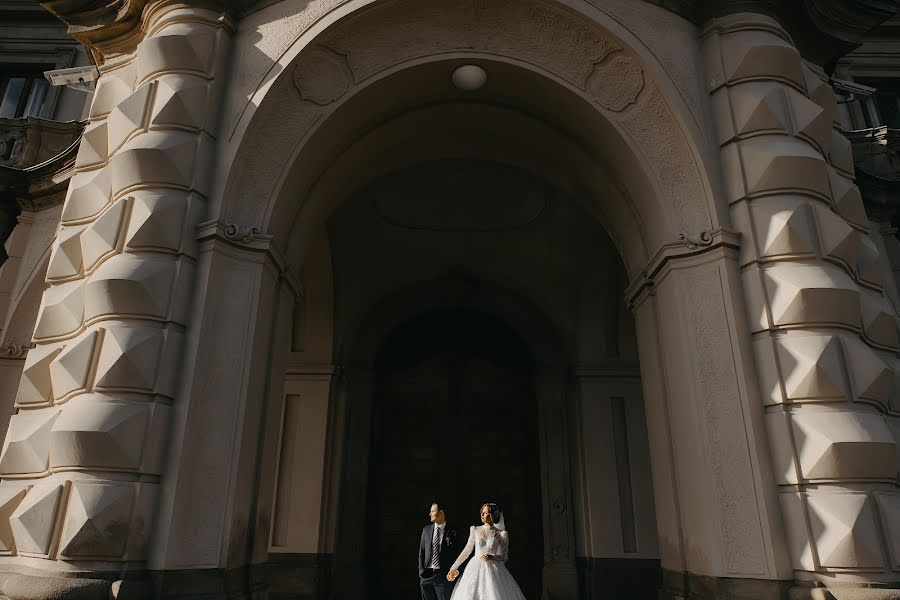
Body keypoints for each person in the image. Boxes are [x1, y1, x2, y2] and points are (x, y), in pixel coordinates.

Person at [446, 503, 527, 600]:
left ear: (493, 515)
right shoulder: (475, 530)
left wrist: (493, 557)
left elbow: (505, 557)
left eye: (486, 513)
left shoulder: (500, 534)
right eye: (482, 513)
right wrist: (454, 567)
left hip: (493, 569)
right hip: (474, 567)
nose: (482, 515)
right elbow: (467, 550)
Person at [419, 501, 463, 600]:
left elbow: (458, 555)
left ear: (441, 512)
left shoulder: (453, 532)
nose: (430, 514)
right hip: (427, 575)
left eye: (432, 511)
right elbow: (421, 553)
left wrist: (455, 572)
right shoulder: (426, 530)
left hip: (443, 576)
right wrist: (421, 572)